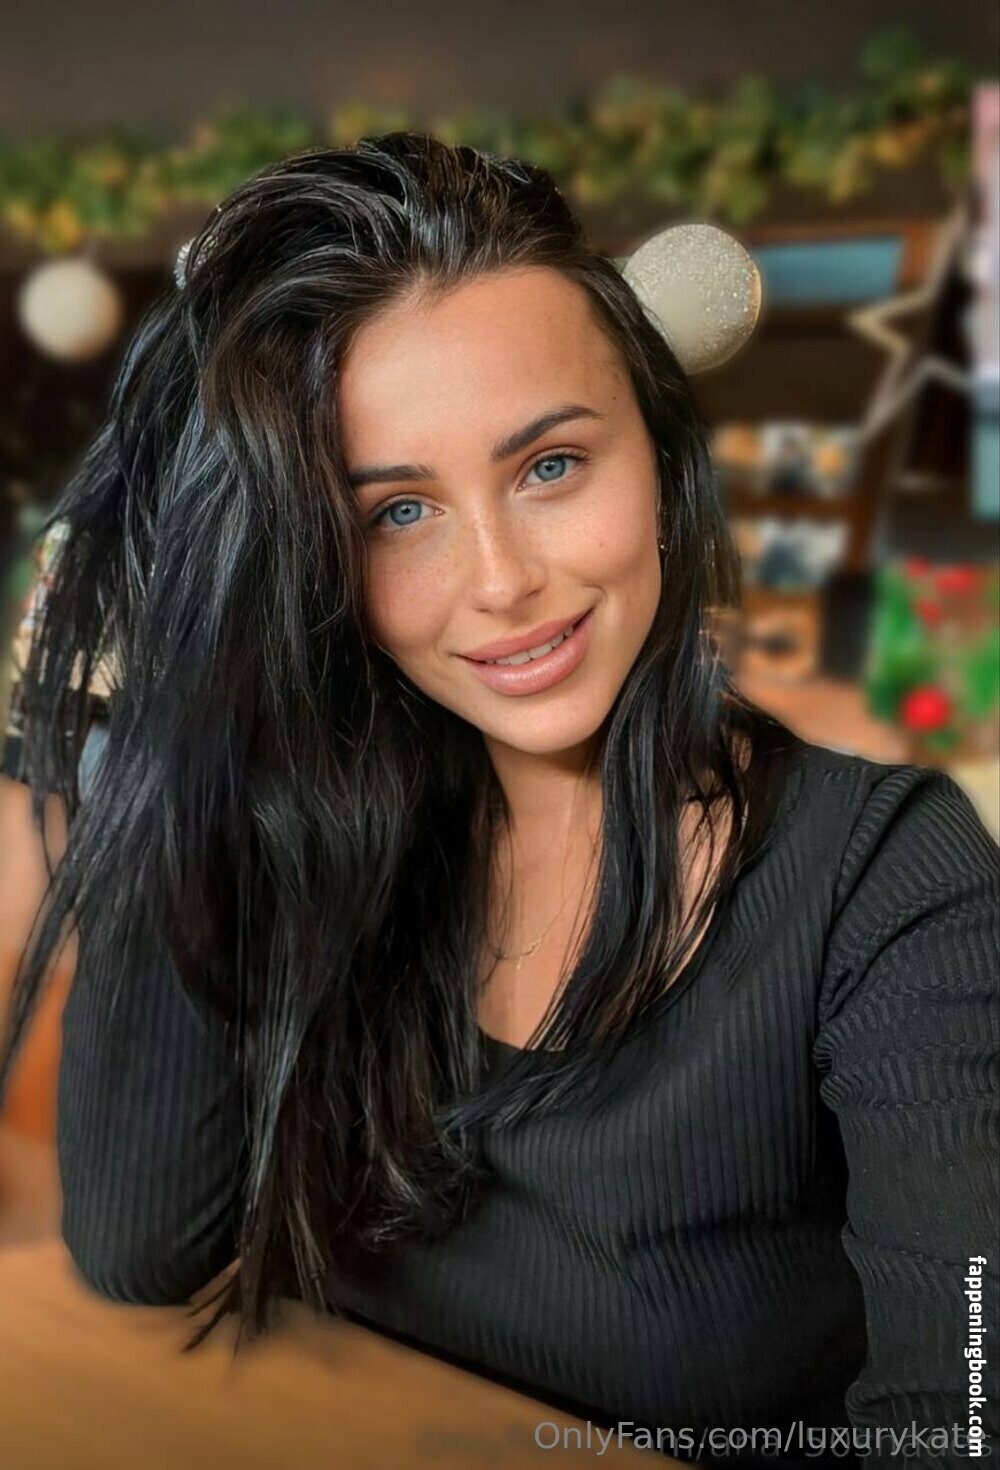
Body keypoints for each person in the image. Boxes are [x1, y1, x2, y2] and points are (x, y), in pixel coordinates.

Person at [1, 133, 997, 1468]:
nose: (502, 581)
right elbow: (139, 1245)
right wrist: (190, 713)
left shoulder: (888, 879)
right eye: (396, 513)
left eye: (550, 466)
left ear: (660, 463)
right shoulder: (331, 836)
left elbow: (962, 1422)